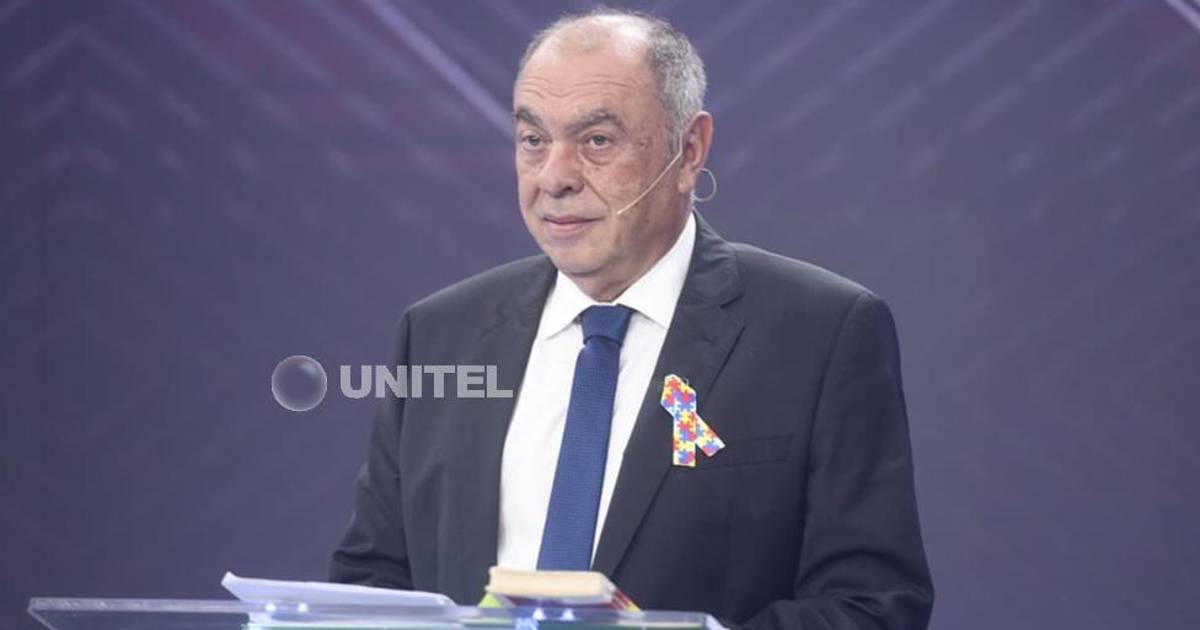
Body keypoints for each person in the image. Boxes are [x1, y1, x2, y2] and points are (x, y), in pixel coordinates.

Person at [330, 8, 933, 629]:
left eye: (597, 140)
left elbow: (872, 606)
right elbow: (370, 583)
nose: (554, 178)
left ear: (688, 150)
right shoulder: (438, 336)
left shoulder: (820, 333)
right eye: (533, 140)